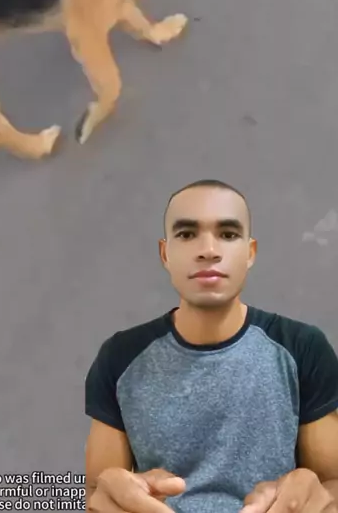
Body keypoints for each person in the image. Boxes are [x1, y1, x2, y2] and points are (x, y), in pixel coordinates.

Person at [84, 179, 338, 513]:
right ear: (165, 253)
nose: (208, 250)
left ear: (250, 253)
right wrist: (108, 500)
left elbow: (332, 482)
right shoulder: (119, 357)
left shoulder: (302, 348)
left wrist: (314, 499)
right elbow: (97, 491)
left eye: (228, 234)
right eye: (187, 234)